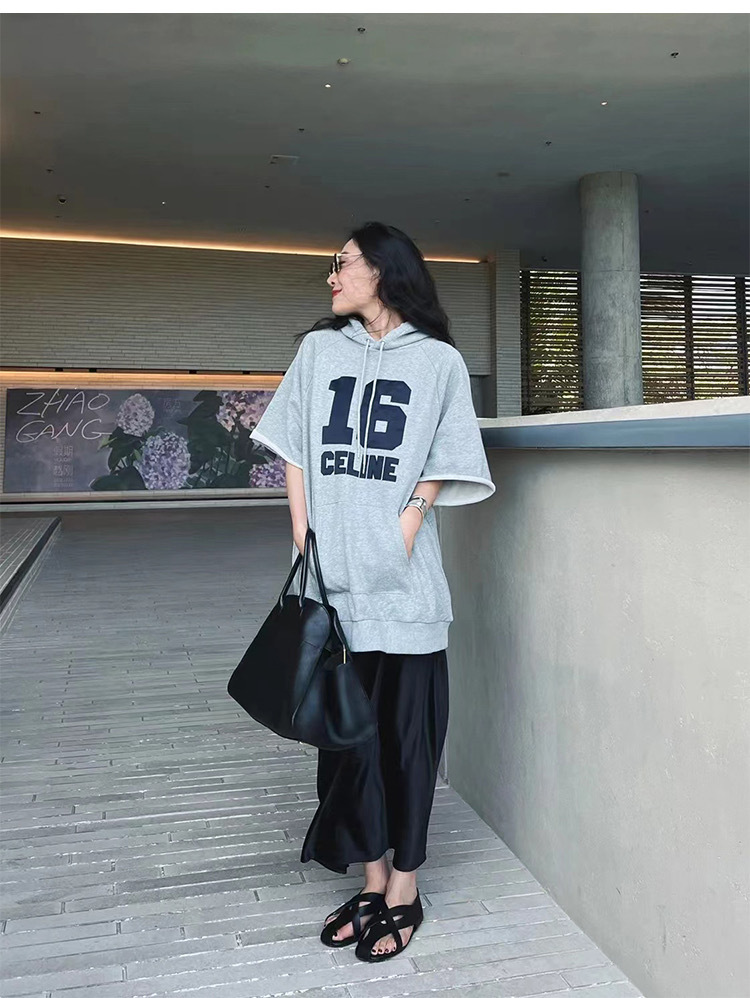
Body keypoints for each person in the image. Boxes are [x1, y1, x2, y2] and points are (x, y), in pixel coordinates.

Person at [249, 221, 495, 960]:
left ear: (383, 271)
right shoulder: (319, 351)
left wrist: (408, 523)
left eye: (342, 263)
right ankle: (372, 879)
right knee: (347, 746)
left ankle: (405, 890)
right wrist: (302, 533)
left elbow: (448, 454)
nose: (331, 275)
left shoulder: (439, 362)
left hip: (406, 592)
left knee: (407, 745)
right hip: (335, 592)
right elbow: (295, 447)